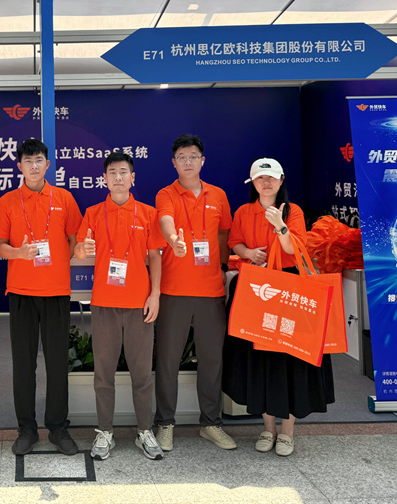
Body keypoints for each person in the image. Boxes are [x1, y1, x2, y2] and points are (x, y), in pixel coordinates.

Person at [223, 158, 335, 457]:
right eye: (260, 178)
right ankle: (267, 426)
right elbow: (234, 243)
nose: (266, 182)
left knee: (292, 355)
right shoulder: (243, 212)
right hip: (256, 289)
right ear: (253, 183)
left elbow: (293, 249)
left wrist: (280, 226)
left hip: (289, 288)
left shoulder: (292, 211)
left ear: (281, 180)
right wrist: (248, 252)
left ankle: (288, 430)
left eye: (271, 177)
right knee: (261, 356)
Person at [74, 152, 167, 461]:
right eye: (112, 172)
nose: (117, 177)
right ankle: (105, 432)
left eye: (123, 172)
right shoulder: (92, 213)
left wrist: (155, 295)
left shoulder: (148, 214)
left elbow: (155, 256)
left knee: (142, 374)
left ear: (132, 177)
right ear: (104, 178)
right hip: (104, 304)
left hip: (139, 304)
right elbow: (79, 249)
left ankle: (144, 431)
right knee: (104, 374)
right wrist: (83, 248)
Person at [0, 138, 83, 456]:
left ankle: (58, 427)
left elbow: (75, 241)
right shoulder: (7, 201)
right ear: (19, 166)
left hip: (56, 292)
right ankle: (27, 429)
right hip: (21, 293)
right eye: (28, 161)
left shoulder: (64, 198)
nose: (34, 166)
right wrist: (19, 253)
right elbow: (0, 246)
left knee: (58, 363)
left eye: (39, 161)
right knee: (24, 365)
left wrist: (71, 255)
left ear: (48, 165)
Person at [154, 134, 236, 452]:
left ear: (203, 161)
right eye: (181, 157)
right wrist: (173, 239)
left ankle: (211, 423)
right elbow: (165, 220)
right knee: (168, 360)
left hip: (210, 291)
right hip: (174, 291)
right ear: (173, 163)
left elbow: (224, 234)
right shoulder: (166, 194)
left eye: (193, 156)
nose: (187, 162)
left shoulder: (219, 195)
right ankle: (165, 423)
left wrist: (222, 266)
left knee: (212, 360)